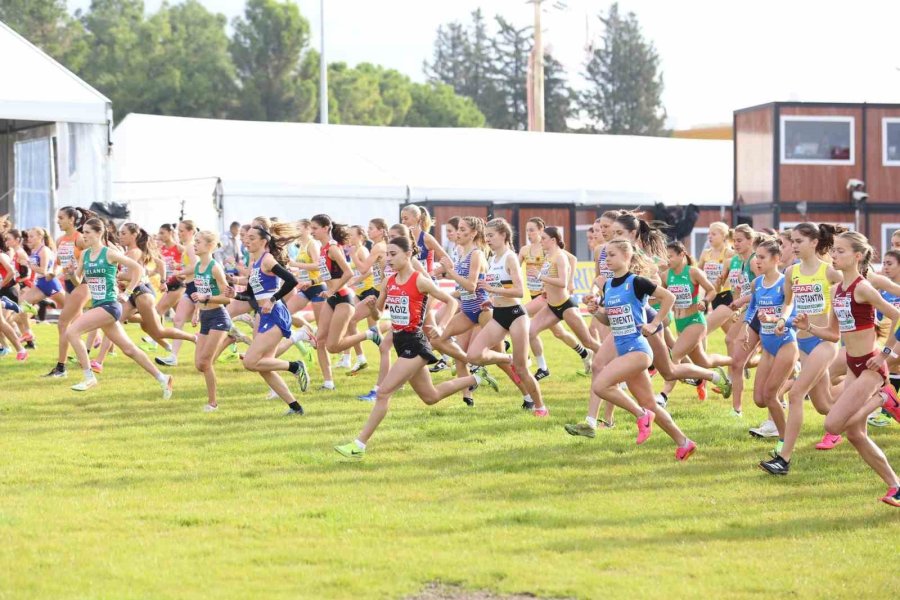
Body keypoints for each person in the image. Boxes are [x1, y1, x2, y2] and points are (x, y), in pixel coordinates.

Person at [334, 235, 493, 459]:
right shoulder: (389, 282)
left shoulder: (420, 280)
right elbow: (379, 314)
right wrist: (371, 308)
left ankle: (358, 445)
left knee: (383, 393)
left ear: (408, 255)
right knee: (431, 397)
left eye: (392, 254)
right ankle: (477, 378)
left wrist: (442, 325)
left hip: (415, 342)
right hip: (400, 341)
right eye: (386, 254)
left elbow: (452, 301)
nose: (387, 259)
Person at [565, 238, 697, 461]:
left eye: (612, 254)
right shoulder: (608, 285)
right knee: (649, 402)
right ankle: (684, 442)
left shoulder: (636, 282)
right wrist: (596, 311)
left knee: (600, 385)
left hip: (638, 350)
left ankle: (640, 415)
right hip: (625, 350)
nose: (607, 259)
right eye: (605, 255)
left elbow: (669, 297)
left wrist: (655, 324)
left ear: (627, 257)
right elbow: (609, 321)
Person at [816, 232, 900, 507]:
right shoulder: (836, 289)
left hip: (871, 366)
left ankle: (882, 398)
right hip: (853, 365)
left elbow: (896, 315)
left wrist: (887, 353)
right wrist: (805, 326)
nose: (834, 255)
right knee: (855, 434)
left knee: (833, 425)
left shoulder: (863, 287)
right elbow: (831, 333)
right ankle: (895, 486)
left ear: (857, 256)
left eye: (840, 251)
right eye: (834, 251)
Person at [64, 218, 174, 397]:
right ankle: (163, 378)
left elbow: (138, 269)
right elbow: (79, 282)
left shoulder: (109, 253)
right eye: (83, 232)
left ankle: (88, 376)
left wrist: (127, 292)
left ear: (99, 233)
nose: (83, 236)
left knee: (72, 332)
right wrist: (70, 274)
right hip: (100, 305)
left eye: (87, 232)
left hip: (110, 306)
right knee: (129, 349)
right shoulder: (84, 255)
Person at [466, 218, 546, 416]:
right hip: (498, 313)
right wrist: (491, 300)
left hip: (516, 315)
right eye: (486, 236)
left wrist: (491, 289)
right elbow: (504, 288)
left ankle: (540, 407)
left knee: (522, 370)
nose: (488, 239)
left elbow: (519, 291)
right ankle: (508, 357)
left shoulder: (510, 257)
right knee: (473, 355)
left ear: (503, 235)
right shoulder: (492, 259)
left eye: (491, 235)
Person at [237, 221, 310, 414]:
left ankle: (295, 366)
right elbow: (250, 295)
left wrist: (273, 298)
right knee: (263, 367)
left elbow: (292, 280)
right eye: (246, 238)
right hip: (264, 314)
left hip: (276, 313)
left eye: (252, 238)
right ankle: (295, 408)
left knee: (250, 362)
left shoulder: (267, 259)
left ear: (263, 241)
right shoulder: (254, 262)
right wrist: (233, 294)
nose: (247, 241)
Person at [191, 231, 232, 411]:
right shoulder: (198, 266)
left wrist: (205, 297)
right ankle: (231, 339)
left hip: (219, 317)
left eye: (198, 242)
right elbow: (200, 294)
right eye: (194, 242)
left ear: (209, 246)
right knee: (199, 364)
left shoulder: (215, 267)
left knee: (206, 363)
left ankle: (213, 403)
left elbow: (226, 298)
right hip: (205, 317)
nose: (194, 244)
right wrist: (196, 311)